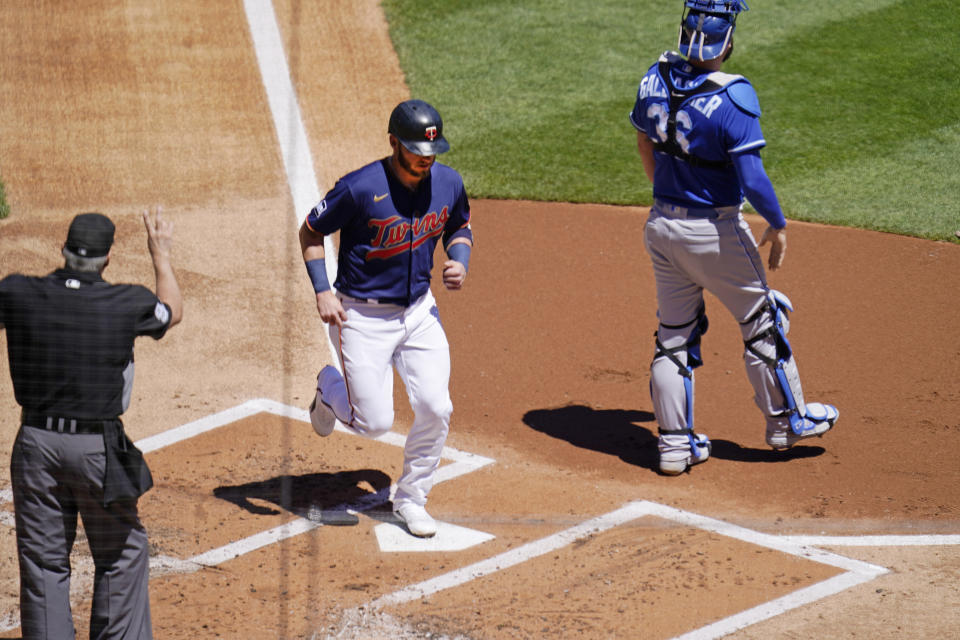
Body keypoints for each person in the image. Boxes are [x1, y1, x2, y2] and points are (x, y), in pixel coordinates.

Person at [629, 0, 838, 475]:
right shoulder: (734, 95)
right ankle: (788, 422)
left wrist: (665, 195)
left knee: (673, 336)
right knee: (763, 318)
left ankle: (675, 447)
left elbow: (644, 142)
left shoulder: (653, 77)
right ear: (728, 41)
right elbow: (753, 177)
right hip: (715, 232)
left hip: (661, 226)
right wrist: (779, 224)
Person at [0, 209, 182, 638]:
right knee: (121, 554)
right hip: (97, 452)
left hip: (35, 448)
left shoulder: (17, 292)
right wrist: (161, 254)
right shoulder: (126, 302)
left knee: (44, 567)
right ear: (108, 259)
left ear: (62, 251)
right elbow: (171, 311)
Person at [299, 99, 473, 537]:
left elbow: (459, 225)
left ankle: (412, 499)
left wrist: (459, 259)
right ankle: (328, 386)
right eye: (415, 150)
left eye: (431, 151)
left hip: (418, 312)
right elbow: (311, 231)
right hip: (361, 314)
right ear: (394, 141)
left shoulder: (448, 183)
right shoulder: (359, 187)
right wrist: (322, 290)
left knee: (437, 407)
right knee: (373, 424)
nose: (424, 159)